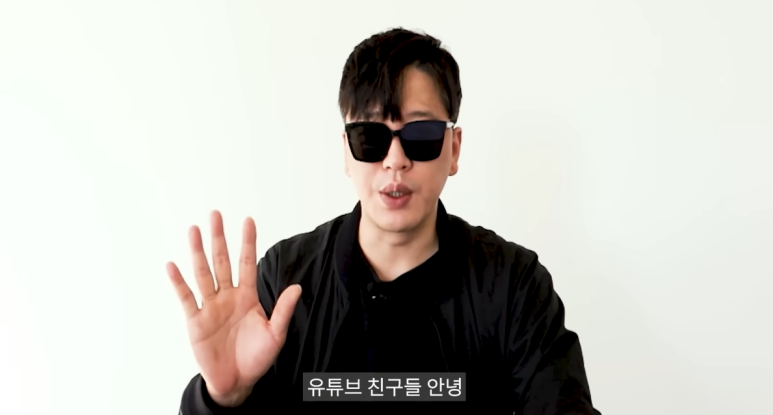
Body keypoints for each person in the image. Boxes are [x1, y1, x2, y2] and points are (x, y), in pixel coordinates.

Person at [168, 28, 601, 414]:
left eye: (421, 135)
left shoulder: (512, 285)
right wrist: (221, 398)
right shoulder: (285, 279)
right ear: (346, 151)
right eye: (370, 137)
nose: (395, 160)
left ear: (454, 149)